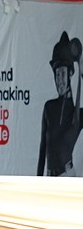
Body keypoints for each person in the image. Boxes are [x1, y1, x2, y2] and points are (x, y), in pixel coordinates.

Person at [37, 31, 83, 177]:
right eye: (57, 74)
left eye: (63, 73)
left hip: (67, 175)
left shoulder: (78, 114)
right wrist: (37, 180)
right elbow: (43, 148)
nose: (59, 80)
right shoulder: (49, 107)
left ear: (70, 74)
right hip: (49, 177)